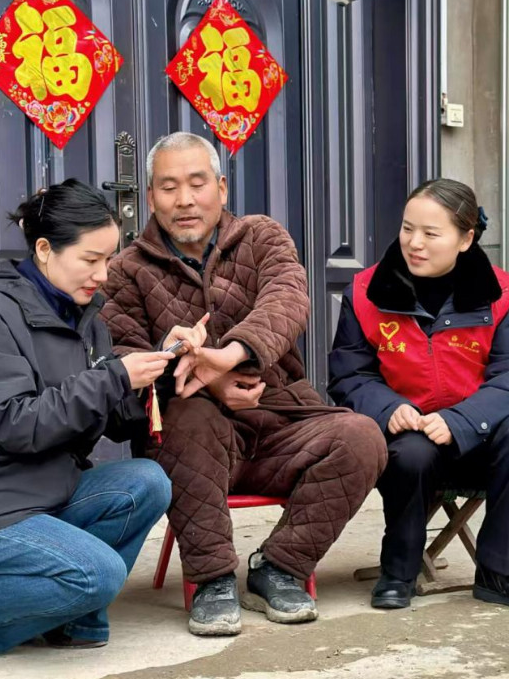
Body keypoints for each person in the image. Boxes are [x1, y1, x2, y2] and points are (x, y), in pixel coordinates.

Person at [0, 179, 197, 666]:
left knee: (146, 482)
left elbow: (113, 418)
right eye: (90, 259)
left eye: (109, 259)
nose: (103, 274)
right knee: (98, 574)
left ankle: (67, 618)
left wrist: (161, 370)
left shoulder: (84, 318)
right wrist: (114, 377)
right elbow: (20, 424)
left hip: (43, 493)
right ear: (45, 249)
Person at [101, 132, 387, 637]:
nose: (184, 200)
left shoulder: (261, 237)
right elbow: (123, 357)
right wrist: (203, 380)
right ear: (149, 197)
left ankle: (279, 567)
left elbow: (287, 300)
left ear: (222, 188)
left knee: (362, 437)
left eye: (197, 183)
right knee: (186, 419)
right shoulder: (126, 270)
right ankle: (211, 580)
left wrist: (228, 357)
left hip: (282, 422)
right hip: (194, 442)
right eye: (168, 187)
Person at [328, 178, 509, 613]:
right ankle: (399, 572)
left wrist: (460, 421)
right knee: (412, 453)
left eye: (431, 234)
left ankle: (500, 573)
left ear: (465, 239)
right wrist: (388, 408)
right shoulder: (365, 292)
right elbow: (348, 375)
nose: (414, 243)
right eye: (407, 228)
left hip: (479, 438)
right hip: (409, 439)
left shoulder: (501, 293)